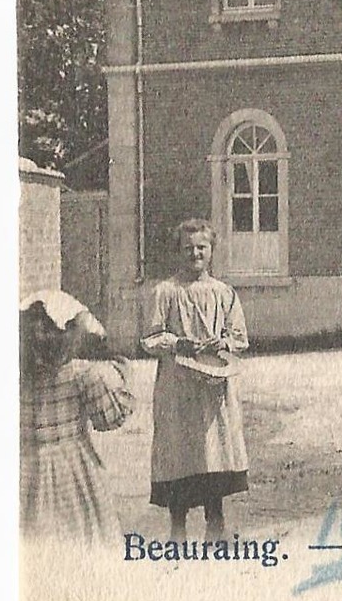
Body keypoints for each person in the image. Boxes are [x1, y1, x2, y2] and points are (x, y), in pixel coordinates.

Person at [140, 219, 250, 540]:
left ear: (212, 250)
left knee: (212, 448)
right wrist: (178, 343)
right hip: (178, 385)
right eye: (188, 248)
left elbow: (239, 335)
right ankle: (178, 527)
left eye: (201, 247)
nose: (195, 254)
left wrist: (224, 343)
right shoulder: (166, 292)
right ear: (178, 252)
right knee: (179, 450)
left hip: (214, 384)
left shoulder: (223, 293)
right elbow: (150, 337)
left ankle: (215, 522)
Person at [20, 290, 134, 546]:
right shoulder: (83, 374)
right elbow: (110, 418)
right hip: (72, 468)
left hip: (23, 466)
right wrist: (121, 371)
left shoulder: (15, 377)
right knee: (82, 538)